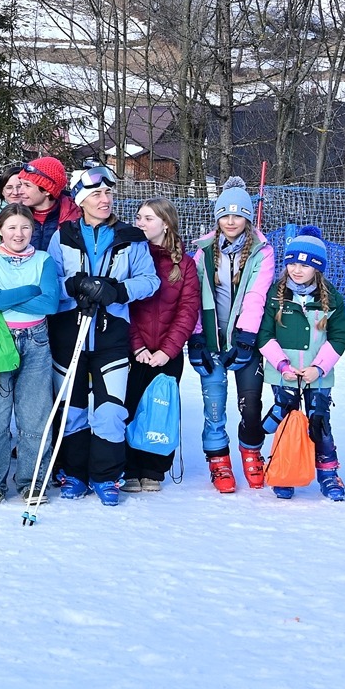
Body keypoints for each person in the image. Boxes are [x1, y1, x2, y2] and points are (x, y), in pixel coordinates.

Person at [45, 166, 160, 505]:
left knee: (110, 409)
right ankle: (76, 472)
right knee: (73, 407)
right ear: (81, 199)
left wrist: (116, 290)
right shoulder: (62, 235)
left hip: (111, 334)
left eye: (108, 193)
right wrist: (74, 286)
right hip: (69, 333)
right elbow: (50, 282)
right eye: (96, 194)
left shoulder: (130, 236)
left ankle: (107, 475)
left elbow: (149, 280)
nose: (104, 199)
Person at [187, 177, 275, 494]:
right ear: (218, 217)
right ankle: (219, 461)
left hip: (244, 340)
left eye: (238, 215)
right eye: (225, 214)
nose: (231, 221)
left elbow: (256, 295)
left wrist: (246, 336)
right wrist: (196, 338)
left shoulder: (262, 252)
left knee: (249, 403)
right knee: (214, 404)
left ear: (248, 218)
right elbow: (193, 295)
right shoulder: (204, 251)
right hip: (211, 339)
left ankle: (252, 453)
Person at [0, 204, 62, 504]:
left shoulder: (44, 260)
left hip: (36, 341)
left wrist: (5, 299)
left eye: (24, 227)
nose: (18, 233)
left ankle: (31, 479)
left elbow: (50, 304)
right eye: (11, 227)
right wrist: (29, 290)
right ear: (0, 230)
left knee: (34, 416)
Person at [257, 228, 345, 501]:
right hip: (284, 375)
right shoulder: (276, 293)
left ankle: (328, 473)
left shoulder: (331, 297)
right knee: (288, 422)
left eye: (305, 265)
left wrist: (318, 368)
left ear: (317, 268)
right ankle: (285, 470)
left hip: (317, 376)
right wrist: (283, 365)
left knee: (318, 422)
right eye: (293, 263)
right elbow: (264, 335)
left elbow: (339, 336)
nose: (297, 270)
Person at [124, 198, 201, 492]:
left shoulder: (186, 265)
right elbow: (126, 306)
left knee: (161, 409)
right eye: (139, 217)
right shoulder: (130, 256)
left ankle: (154, 469)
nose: (140, 223)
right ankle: (129, 467)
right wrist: (138, 347)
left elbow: (187, 310)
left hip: (167, 353)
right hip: (136, 352)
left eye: (148, 219)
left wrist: (167, 350)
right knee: (130, 406)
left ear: (165, 224)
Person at [17, 156, 79, 251]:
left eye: (27, 185)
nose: (20, 191)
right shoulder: (15, 215)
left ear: (47, 190)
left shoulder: (75, 217)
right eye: (21, 184)